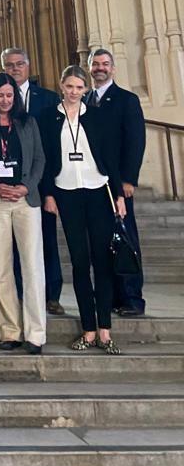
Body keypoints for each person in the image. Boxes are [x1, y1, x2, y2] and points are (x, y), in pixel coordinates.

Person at [41, 65, 126, 354]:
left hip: (97, 191)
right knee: (79, 262)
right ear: (61, 86)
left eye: (79, 87)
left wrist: (119, 195)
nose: (74, 92)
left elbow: (110, 159)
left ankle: (105, 329)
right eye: (69, 86)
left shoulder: (98, 117)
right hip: (66, 193)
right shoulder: (48, 118)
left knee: (102, 261)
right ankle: (88, 330)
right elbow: (45, 160)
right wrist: (48, 194)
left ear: (85, 90)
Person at [0, 72, 47, 353]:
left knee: (31, 266)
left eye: (9, 95)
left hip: (25, 201)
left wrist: (26, 187)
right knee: (2, 268)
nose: (5, 100)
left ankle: (35, 333)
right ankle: (10, 331)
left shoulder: (28, 123)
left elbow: (40, 158)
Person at [1, 46, 63, 315]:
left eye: (19, 64)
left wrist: (48, 185)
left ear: (28, 65)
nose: (14, 69)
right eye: (9, 65)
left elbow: (54, 143)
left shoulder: (48, 99)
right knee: (13, 244)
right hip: (9, 181)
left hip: (42, 180)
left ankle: (52, 295)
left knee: (47, 239)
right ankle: (19, 293)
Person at [88, 48, 146, 317]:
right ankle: (111, 297)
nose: (100, 68)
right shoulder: (85, 99)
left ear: (113, 68)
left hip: (118, 183)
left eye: (105, 64)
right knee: (103, 240)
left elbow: (135, 141)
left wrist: (129, 180)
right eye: (96, 64)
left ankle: (132, 297)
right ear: (89, 68)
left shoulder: (126, 99)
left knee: (125, 237)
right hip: (92, 183)